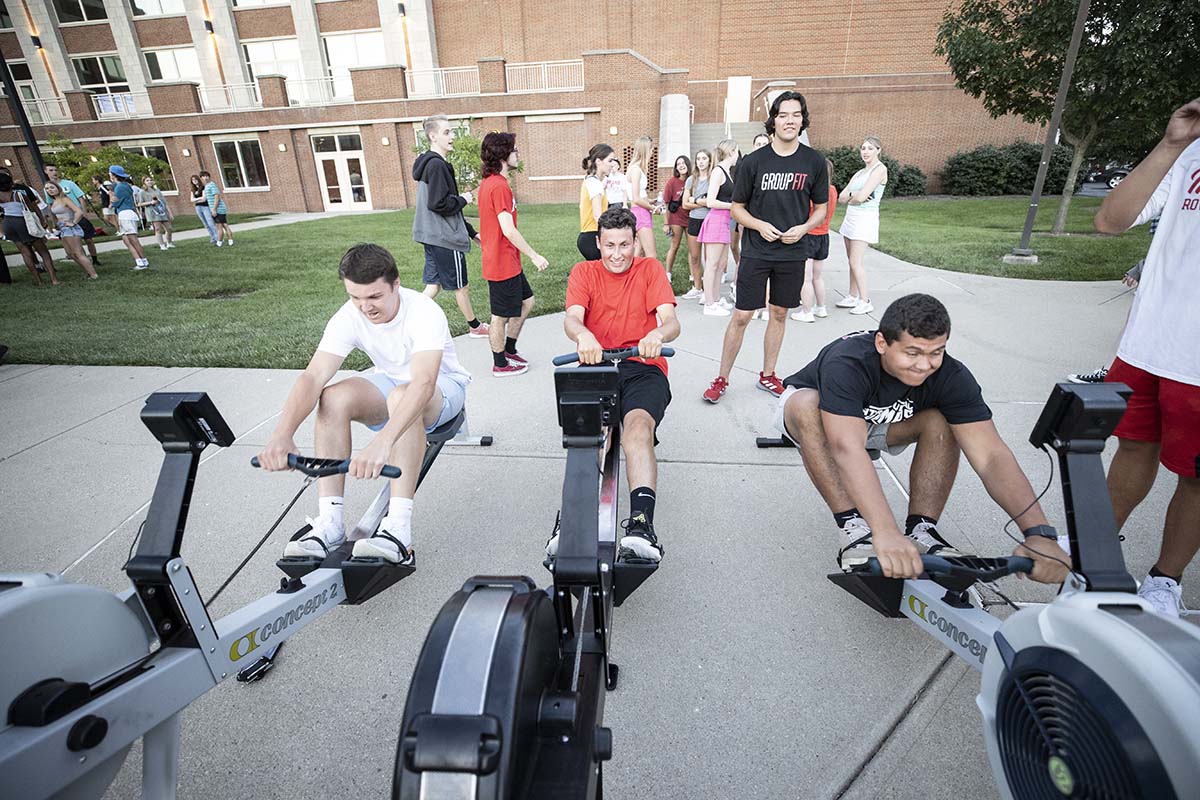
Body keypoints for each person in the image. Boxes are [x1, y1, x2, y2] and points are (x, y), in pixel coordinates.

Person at [774, 294, 1071, 583]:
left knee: (943, 419)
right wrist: (885, 531)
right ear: (882, 343)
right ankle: (853, 527)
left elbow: (991, 456)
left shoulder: (952, 376)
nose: (924, 365)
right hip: (824, 420)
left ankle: (922, 530)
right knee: (806, 405)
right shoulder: (848, 362)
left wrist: (1038, 533)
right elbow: (846, 447)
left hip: (881, 423)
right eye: (912, 353)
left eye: (935, 352)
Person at [256, 243, 471, 566]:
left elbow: (424, 383)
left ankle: (398, 530)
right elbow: (313, 377)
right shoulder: (350, 314)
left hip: (443, 388)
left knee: (402, 396)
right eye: (355, 297)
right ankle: (330, 523)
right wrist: (282, 434)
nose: (365, 307)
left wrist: (383, 442)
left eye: (374, 297)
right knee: (332, 397)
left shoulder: (424, 311)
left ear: (396, 283)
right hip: (393, 384)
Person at [1092, 96, 1200, 617]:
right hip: (1148, 342)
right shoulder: (1188, 152)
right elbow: (1110, 221)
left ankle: (1165, 581)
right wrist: (1172, 142)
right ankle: (1093, 557)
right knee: (1132, 449)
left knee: (1195, 476)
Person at [548, 206, 680, 563]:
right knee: (591, 438)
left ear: (635, 241)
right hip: (597, 365)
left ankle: (641, 527)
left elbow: (671, 321)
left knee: (637, 430)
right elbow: (573, 318)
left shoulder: (649, 269)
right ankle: (571, 521)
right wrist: (584, 336)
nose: (617, 254)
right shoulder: (584, 272)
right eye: (610, 245)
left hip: (642, 366)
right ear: (598, 243)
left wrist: (657, 334)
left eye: (624, 244)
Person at [702, 92, 829, 403]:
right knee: (742, 315)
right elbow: (737, 208)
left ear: (803, 120)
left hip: (793, 252)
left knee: (780, 313)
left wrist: (804, 228)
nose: (789, 121)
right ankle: (721, 378)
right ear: (774, 120)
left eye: (796, 115)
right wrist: (759, 225)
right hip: (757, 252)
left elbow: (821, 208)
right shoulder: (754, 162)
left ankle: (768, 375)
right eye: (783, 115)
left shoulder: (813, 161)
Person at [477, 131, 549, 377]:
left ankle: (509, 349)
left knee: (527, 302)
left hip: (507, 260)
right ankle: (500, 363)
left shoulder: (494, 183)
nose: (518, 154)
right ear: (503, 154)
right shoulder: (498, 186)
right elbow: (508, 229)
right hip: (501, 263)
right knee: (499, 316)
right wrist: (534, 255)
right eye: (514, 150)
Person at [412, 114, 489, 339]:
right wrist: (464, 198)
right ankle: (475, 327)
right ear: (432, 136)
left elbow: (446, 205)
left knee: (433, 286)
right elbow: (439, 204)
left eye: (452, 131)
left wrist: (472, 233)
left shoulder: (430, 164)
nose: (452, 136)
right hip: (444, 237)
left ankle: (406, 320)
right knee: (461, 286)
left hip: (431, 235)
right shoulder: (437, 165)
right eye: (447, 132)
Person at [836, 136, 888, 315]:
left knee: (855, 261)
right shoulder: (859, 173)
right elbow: (842, 197)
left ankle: (865, 301)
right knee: (851, 261)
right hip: (851, 218)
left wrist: (855, 196)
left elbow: (861, 197)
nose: (865, 152)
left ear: (878, 150)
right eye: (863, 148)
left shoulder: (880, 169)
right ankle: (852, 295)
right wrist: (855, 194)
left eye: (870, 148)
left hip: (865, 219)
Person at [792, 158, 836, 323]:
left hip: (809, 236)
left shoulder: (813, 192)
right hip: (823, 236)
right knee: (817, 276)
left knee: (806, 278)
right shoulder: (832, 190)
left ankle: (806, 311)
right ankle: (821, 307)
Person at [698, 139, 739, 316]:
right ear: (731, 152)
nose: (738, 156)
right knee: (712, 264)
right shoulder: (717, 171)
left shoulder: (727, 172)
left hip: (725, 222)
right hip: (716, 220)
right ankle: (709, 303)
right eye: (737, 152)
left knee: (721, 264)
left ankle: (715, 298)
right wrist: (732, 206)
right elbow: (710, 201)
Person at [0, 171, 58, 285]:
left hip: (8, 223)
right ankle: (54, 279)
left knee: (25, 252)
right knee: (43, 251)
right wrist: (42, 220)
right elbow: (32, 208)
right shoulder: (18, 194)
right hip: (22, 221)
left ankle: (39, 281)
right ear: (10, 183)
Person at [43, 164, 101, 265]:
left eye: (55, 170)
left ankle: (95, 259)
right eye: (51, 170)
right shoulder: (48, 188)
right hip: (65, 220)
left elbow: (80, 198)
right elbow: (50, 204)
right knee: (75, 243)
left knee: (88, 239)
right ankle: (85, 261)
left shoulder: (69, 183)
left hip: (78, 215)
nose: (54, 172)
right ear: (45, 172)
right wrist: (54, 221)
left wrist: (84, 213)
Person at [45, 181, 98, 279]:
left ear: (58, 188)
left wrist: (73, 222)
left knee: (78, 253)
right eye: (47, 188)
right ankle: (88, 271)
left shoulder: (65, 199)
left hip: (71, 228)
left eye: (52, 187)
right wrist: (56, 224)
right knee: (71, 254)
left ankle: (93, 274)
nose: (50, 190)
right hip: (62, 228)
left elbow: (79, 211)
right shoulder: (54, 201)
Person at [681, 149, 712, 300]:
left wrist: (695, 200)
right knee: (694, 256)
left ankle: (708, 291)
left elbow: (712, 202)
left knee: (708, 257)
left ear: (709, 161)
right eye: (698, 159)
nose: (701, 161)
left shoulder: (713, 178)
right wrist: (702, 202)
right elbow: (685, 204)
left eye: (704, 158)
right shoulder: (691, 180)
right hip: (694, 220)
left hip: (709, 220)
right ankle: (697, 287)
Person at [578, 143, 617, 260]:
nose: (613, 164)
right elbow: (597, 215)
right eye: (610, 160)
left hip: (591, 236)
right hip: (592, 236)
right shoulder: (594, 183)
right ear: (598, 161)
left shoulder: (594, 181)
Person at [107, 165, 149, 270]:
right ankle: (139, 261)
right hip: (128, 214)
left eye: (110, 173)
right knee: (127, 240)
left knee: (133, 239)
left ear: (114, 175)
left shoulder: (120, 187)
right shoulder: (125, 185)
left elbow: (116, 204)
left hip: (125, 214)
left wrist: (111, 197)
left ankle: (143, 261)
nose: (109, 174)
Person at [625, 135, 657, 259]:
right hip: (640, 213)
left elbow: (640, 195)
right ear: (645, 150)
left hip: (641, 211)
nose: (652, 152)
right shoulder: (636, 170)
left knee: (639, 254)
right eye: (651, 149)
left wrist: (650, 201)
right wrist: (653, 208)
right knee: (651, 255)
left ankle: (633, 272)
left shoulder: (638, 169)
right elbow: (636, 198)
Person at [662, 154, 691, 281]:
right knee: (675, 246)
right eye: (678, 164)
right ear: (676, 168)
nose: (681, 166)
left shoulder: (692, 180)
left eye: (683, 163)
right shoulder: (672, 182)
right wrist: (666, 223)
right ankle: (667, 273)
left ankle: (693, 274)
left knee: (693, 248)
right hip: (676, 218)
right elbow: (665, 204)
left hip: (691, 217)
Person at [138, 176, 174, 251]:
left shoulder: (157, 190)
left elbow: (164, 202)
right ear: (144, 182)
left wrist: (169, 212)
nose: (149, 182)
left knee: (169, 228)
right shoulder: (142, 192)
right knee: (158, 229)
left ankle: (169, 243)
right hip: (153, 213)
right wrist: (150, 202)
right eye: (147, 180)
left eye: (150, 180)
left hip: (162, 211)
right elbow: (139, 204)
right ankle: (162, 245)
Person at [201, 171, 233, 246]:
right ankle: (230, 241)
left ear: (209, 177)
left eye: (207, 176)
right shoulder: (206, 186)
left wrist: (214, 209)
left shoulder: (212, 185)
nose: (205, 178)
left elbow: (217, 197)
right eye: (203, 176)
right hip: (216, 208)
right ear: (201, 178)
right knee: (224, 225)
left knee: (219, 226)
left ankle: (219, 242)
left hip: (218, 208)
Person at [189, 175, 219, 245]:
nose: (194, 181)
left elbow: (204, 199)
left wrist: (196, 200)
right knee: (205, 224)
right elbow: (191, 200)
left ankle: (218, 238)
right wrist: (198, 199)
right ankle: (212, 238)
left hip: (205, 207)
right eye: (193, 180)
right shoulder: (193, 190)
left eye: (195, 179)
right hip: (198, 208)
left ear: (198, 179)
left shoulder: (203, 187)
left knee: (210, 223)